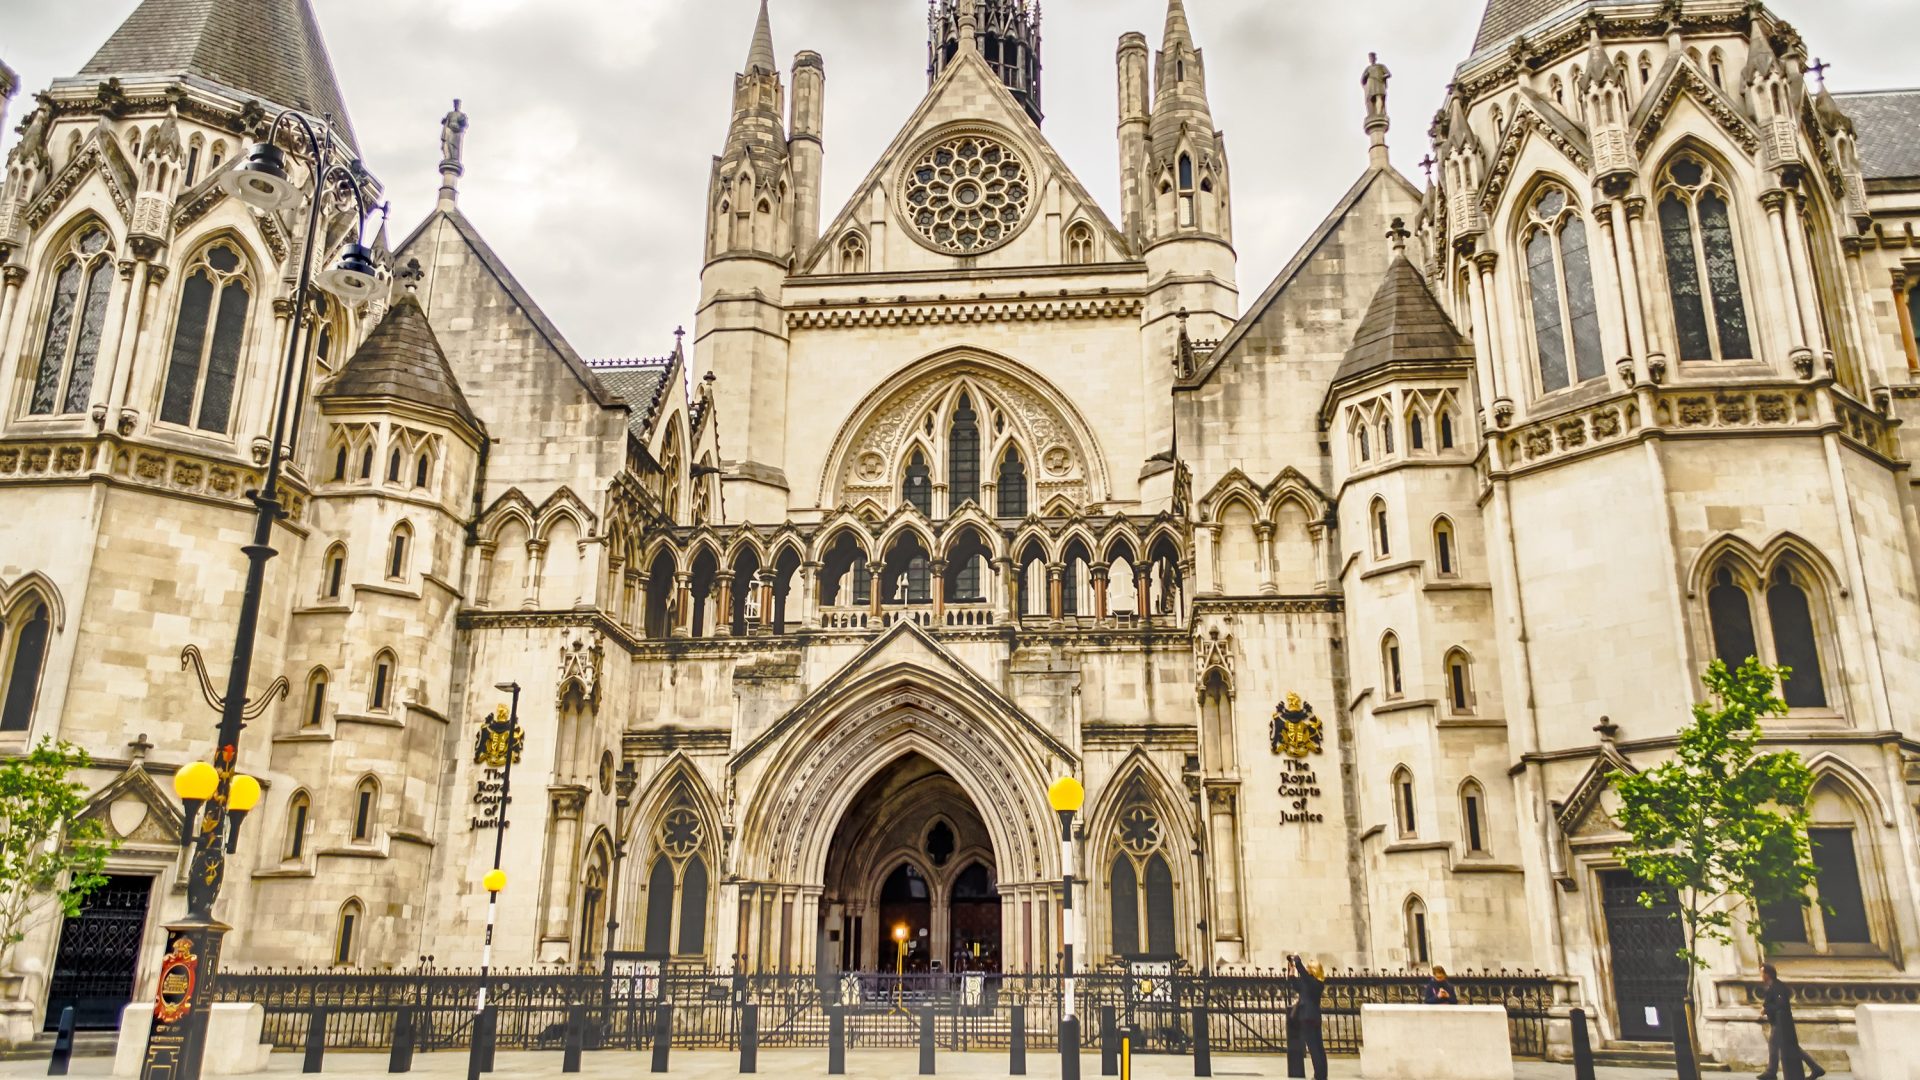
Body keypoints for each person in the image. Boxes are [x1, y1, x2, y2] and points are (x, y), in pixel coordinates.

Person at [1758, 963, 1824, 1080]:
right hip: (1778, 1022)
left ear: (1768, 974)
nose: (1760, 975)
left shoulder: (1778, 987)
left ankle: (1771, 1071)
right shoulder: (1773, 986)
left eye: (1762, 972)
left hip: (1782, 1023)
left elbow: (1781, 1004)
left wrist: (1766, 1009)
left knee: (1777, 1045)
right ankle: (1815, 1068)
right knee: (1790, 1047)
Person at [1289, 954, 1328, 1080]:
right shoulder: (1310, 983)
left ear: (1312, 970)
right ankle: (1321, 1075)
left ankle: (1320, 1076)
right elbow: (1296, 985)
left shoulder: (1316, 983)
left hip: (1309, 1018)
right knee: (1318, 1048)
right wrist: (1291, 971)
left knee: (1315, 1049)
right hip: (1310, 1017)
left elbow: (1305, 977)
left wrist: (1298, 962)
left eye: (1308, 968)